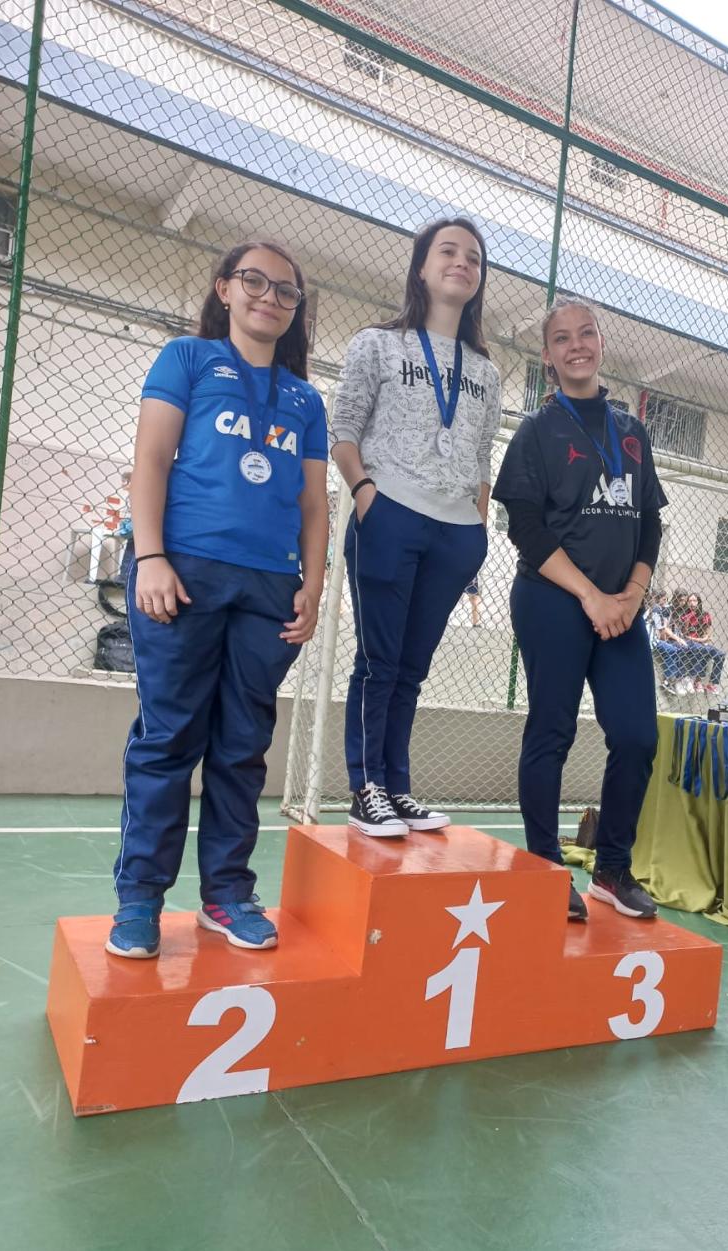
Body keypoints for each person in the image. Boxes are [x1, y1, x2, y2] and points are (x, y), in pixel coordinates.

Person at [106, 240, 329, 959]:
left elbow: (314, 504)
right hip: (184, 572)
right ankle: (140, 898)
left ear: (296, 310)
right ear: (224, 289)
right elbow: (151, 459)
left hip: (269, 587)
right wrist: (150, 556)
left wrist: (314, 584)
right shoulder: (188, 359)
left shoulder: (306, 400)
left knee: (242, 745)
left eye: (286, 291)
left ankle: (226, 894)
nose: (270, 297)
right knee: (169, 736)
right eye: (253, 281)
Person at [492, 297, 666, 923]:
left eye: (586, 333)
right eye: (562, 338)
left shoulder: (632, 432)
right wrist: (591, 596)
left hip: (621, 608)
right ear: (547, 355)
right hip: (553, 600)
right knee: (553, 730)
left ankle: (612, 870)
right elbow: (526, 530)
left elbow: (649, 524)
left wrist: (631, 596)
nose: (577, 346)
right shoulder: (537, 432)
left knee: (637, 736)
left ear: (601, 343)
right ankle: (546, 869)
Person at [330, 218, 501, 837]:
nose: (462, 263)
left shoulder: (485, 370)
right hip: (390, 513)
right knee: (379, 660)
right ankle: (366, 787)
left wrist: (477, 525)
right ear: (422, 268)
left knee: (412, 667)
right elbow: (344, 428)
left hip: (455, 531)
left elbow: (481, 454)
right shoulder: (377, 344)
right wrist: (365, 493)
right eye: (448, 252)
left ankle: (397, 788)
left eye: (473, 258)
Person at [679, 592, 726, 694]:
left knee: (720, 654)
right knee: (702, 649)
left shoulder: (705, 615)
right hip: (690, 642)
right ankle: (697, 681)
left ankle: (712, 683)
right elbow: (684, 635)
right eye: (690, 601)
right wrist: (687, 622)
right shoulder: (684, 614)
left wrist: (705, 639)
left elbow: (708, 633)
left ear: (699, 602)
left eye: (694, 600)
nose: (692, 603)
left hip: (701, 641)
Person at [647, 588, 692, 694]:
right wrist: (677, 639)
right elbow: (663, 628)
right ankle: (676, 680)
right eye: (681, 600)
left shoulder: (683, 610)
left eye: (685, 601)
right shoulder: (664, 609)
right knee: (678, 648)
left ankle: (683, 678)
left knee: (690, 647)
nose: (683, 603)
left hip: (669, 637)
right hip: (665, 638)